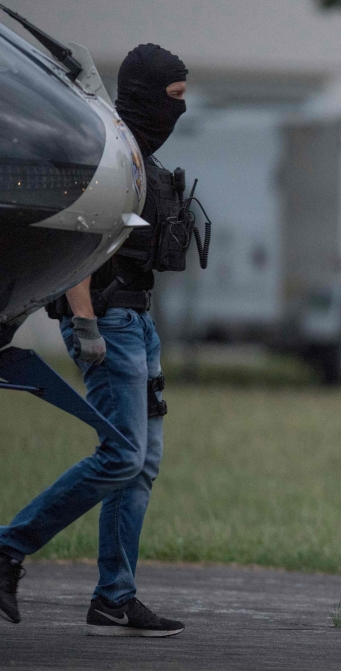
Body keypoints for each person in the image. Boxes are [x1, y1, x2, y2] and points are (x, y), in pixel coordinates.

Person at [0, 44, 190, 637]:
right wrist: (83, 323)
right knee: (121, 456)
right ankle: (8, 548)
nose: (180, 109)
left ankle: (114, 596)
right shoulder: (101, 158)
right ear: (144, 95)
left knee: (142, 464)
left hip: (136, 320)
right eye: (175, 98)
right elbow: (81, 233)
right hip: (106, 323)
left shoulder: (133, 158)